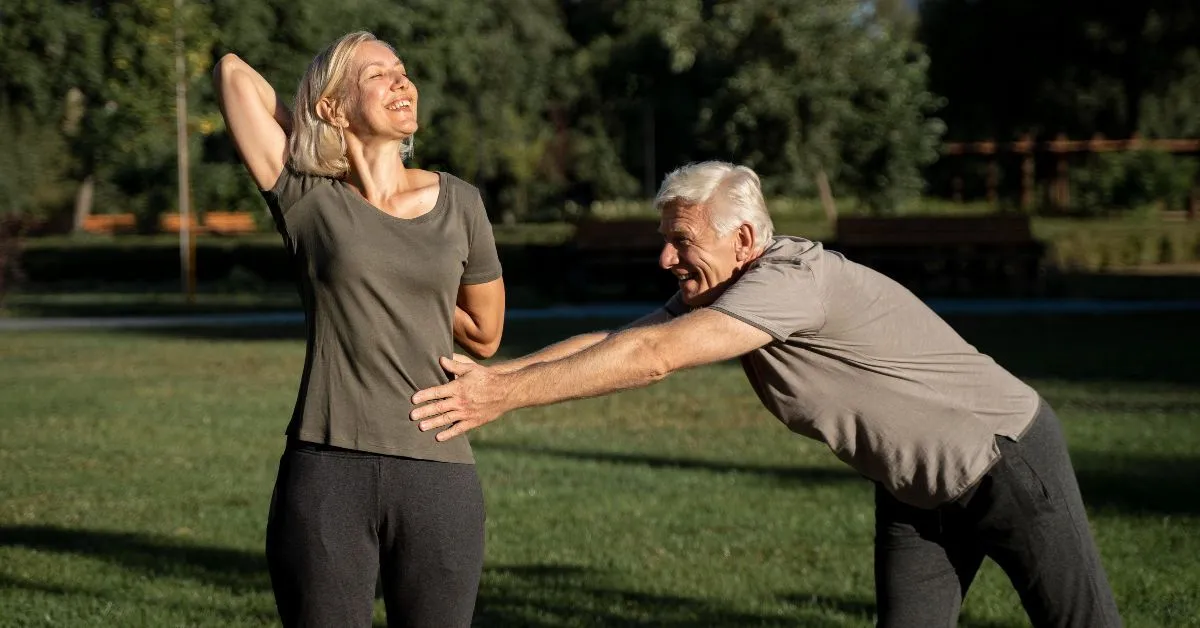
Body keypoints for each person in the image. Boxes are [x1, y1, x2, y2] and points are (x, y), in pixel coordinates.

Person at [409, 161, 1121, 627]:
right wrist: (497, 380)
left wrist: (506, 400)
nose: (665, 258)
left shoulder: (791, 282)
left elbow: (652, 359)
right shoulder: (731, 287)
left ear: (744, 236)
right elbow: (615, 341)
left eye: (681, 240)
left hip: (1004, 461)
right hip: (914, 491)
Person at [213, 31, 504, 627]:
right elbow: (232, 72)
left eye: (403, 71)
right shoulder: (307, 198)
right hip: (327, 469)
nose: (401, 81)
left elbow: (484, 332)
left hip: (437, 469)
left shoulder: (462, 202)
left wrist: (405, 277)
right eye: (377, 74)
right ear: (333, 105)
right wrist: (325, 136)